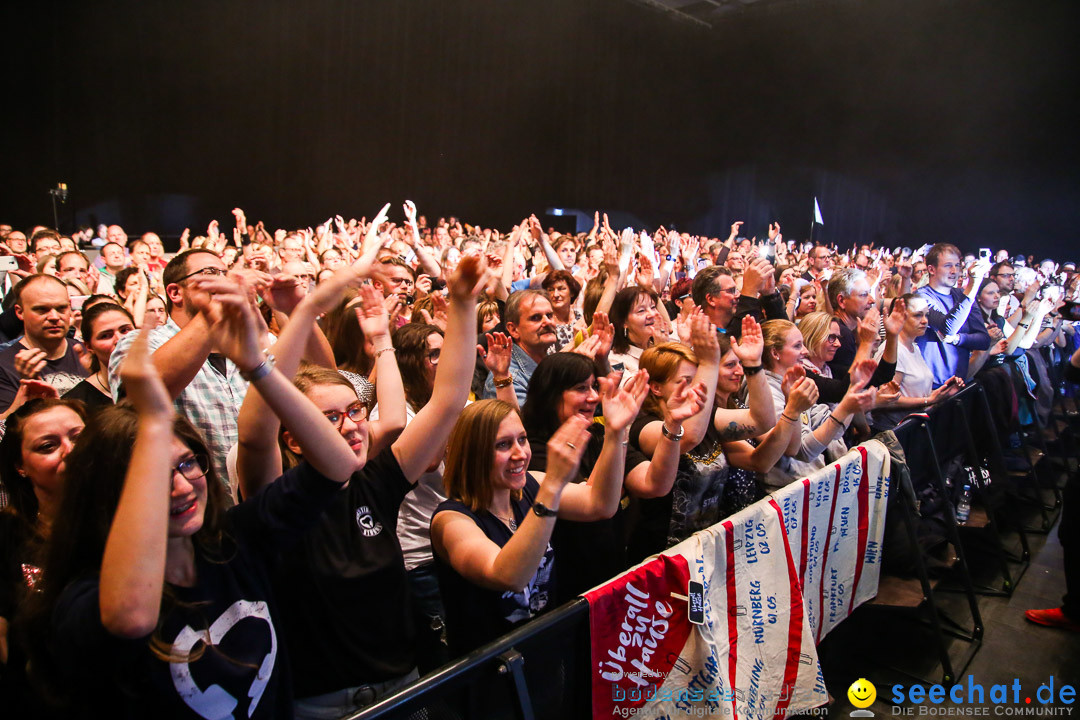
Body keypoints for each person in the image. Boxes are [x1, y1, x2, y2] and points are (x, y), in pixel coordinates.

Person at [24, 281, 361, 717]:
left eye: (187, 464)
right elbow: (133, 619)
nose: (183, 488)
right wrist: (153, 422)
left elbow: (335, 466)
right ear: (110, 492)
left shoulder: (234, 542)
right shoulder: (87, 596)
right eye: (154, 476)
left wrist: (257, 367)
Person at [236, 256, 482, 718]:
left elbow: (448, 400)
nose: (352, 426)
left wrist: (464, 305)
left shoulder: (374, 482)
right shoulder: (276, 500)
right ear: (292, 435)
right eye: (330, 418)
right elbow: (253, 435)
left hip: (402, 688)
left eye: (354, 411)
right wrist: (300, 316)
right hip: (318, 706)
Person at [430, 387, 638, 656]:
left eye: (522, 439)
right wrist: (553, 483)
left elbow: (601, 504)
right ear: (473, 454)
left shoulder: (530, 485)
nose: (520, 454)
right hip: (493, 674)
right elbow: (508, 576)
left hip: (545, 651)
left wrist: (616, 433)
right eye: (503, 445)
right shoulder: (451, 521)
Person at [519, 350, 693, 600]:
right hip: (569, 594)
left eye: (593, 386)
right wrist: (616, 430)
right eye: (581, 388)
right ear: (551, 394)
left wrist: (673, 425)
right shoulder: (532, 453)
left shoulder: (598, 434)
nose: (592, 397)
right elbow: (598, 504)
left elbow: (655, 484)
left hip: (614, 577)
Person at [627, 314, 776, 560]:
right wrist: (708, 363)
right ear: (656, 388)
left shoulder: (705, 417)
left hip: (706, 549)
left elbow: (762, 421)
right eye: (684, 381)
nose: (695, 387)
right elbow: (688, 438)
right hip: (661, 558)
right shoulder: (645, 426)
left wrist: (753, 366)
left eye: (696, 379)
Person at [0, 397, 87, 713]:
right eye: (47, 446)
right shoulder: (7, 534)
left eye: (79, 437)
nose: (70, 451)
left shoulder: (133, 523)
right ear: (20, 466)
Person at [759, 319, 877, 488]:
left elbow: (833, 431)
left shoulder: (796, 382)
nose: (805, 352)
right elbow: (804, 452)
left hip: (811, 486)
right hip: (787, 494)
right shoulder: (766, 393)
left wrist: (853, 391)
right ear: (775, 353)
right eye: (798, 346)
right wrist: (846, 406)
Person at [871, 295, 963, 430]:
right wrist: (929, 401)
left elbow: (915, 391)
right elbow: (887, 400)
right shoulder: (894, 350)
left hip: (914, 427)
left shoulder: (914, 347)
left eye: (927, 315)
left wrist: (943, 392)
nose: (925, 321)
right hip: (895, 431)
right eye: (918, 315)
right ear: (900, 317)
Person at [0, 275, 87, 411]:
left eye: (61, 308)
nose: (54, 317)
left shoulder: (88, 354)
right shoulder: (3, 365)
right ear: (20, 312)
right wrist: (23, 400)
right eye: (42, 309)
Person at [915, 243, 992, 386]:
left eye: (957, 265)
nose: (954, 271)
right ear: (931, 269)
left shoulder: (963, 295)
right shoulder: (921, 296)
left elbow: (984, 340)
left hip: (960, 383)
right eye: (948, 265)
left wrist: (957, 339)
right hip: (932, 386)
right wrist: (973, 284)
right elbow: (947, 328)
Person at [483, 289, 558, 404]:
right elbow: (527, 422)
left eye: (549, 315)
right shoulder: (507, 381)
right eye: (536, 318)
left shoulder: (550, 362)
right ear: (513, 330)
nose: (548, 322)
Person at [63, 303, 135, 410]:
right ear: (89, 346)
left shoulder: (163, 379)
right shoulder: (76, 402)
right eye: (105, 336)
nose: (119, 340)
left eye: (125, 330)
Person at [542, 270, 582, 351]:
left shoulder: (581, 319)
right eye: (551, 290)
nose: (555, 294)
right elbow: (549, 361)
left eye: (561, 289)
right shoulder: (546, 323)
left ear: (572, 292)